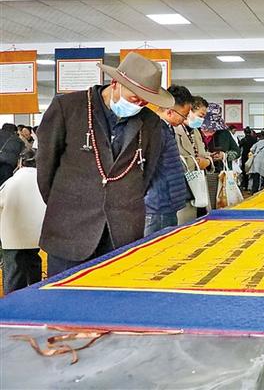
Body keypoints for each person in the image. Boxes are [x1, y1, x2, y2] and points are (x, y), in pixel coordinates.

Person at [37, 52, 172, 276]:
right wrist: (68, 202)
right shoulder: (68, 108)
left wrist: (122, 197)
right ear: (115, 83)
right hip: (69, 230)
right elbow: (46, 167)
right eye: (134, 98)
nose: (139, 104)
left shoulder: (151, 123)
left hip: (122, 233)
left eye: (145, 100)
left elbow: (146, 174)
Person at [143, 85, 192, 236]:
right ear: (170, 112)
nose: (184, 120)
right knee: (155, 246)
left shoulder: (166, 128)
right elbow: (146, 168)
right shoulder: (154, 130)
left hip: (167, 203)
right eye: (184, 115)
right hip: (158, 205)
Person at [0, 149, 45, 294]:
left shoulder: (11, 182)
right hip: (36, 236)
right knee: (34, 264)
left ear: (20, 162)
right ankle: (34, 294)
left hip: (13, 237)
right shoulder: (43, 182)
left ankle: (12, 300)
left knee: (14, 270)